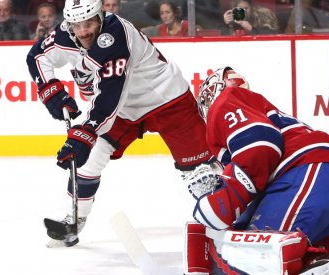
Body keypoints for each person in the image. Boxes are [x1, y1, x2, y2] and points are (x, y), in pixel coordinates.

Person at [26, 0, 219, 246]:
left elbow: (109, 97)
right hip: (123, 110)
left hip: (166, 98)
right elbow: (37, 57)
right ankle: (73, 222)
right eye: (77, 25)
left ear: (101, 17)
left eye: (89, 23)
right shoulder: (65, 34)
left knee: (200, 172)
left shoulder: (114, 36)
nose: (83, 31)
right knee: (87, 162)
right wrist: (52, 92)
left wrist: (83, 134)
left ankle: (226, 218)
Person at [189, 67, 329, 255]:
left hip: (308, 171)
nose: (206, 106)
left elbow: (260, 144)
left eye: (206, 98)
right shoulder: (254, 109)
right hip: (321, 176)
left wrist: (229, 196)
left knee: (254, 254)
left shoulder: (227, 99)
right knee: (251, 241)